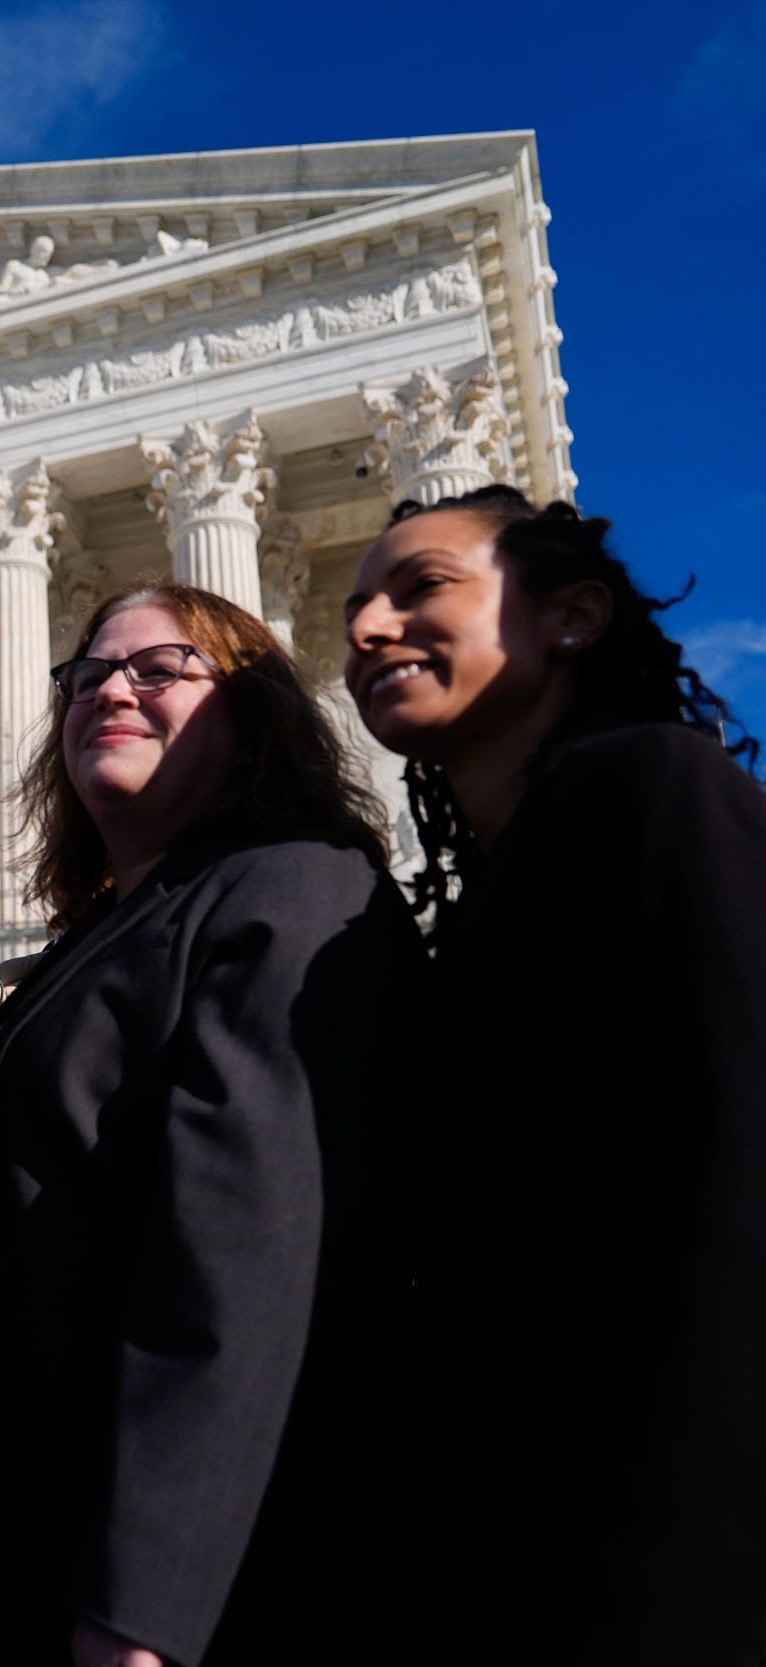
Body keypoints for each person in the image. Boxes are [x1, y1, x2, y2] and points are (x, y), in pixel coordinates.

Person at [0, 583, 420, 1667]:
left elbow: (248, 1261)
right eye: (85, 674)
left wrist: (145, 1608)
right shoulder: (95, 939)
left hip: (156, 1581)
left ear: (251, 718)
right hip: (13, 1536)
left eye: (157, 669)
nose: (109, 687)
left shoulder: (296, 892)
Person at [345, 486, 766, 1664]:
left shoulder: (652, 790)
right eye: (354, 609)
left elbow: (739, 1182)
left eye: (418, 587)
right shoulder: (493, 894)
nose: (369, 628)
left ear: (571, 616)